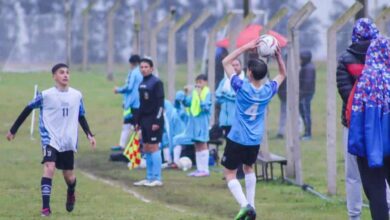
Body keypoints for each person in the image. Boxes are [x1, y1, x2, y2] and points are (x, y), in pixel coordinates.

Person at [6, 63, 96, 217]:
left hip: (68, 140)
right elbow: (28, 108)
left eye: (67, 72)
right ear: (54, 76)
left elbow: (80, 115)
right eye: (61, 72)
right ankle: (46, 208)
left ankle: (71, 191)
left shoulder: (77, 95)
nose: (65, 75)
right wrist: (13, 130)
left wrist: (89, 134)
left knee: (69, 177)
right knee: (49, 167)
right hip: (50, 139)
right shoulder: (46, 95)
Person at [222, 39, 286, 220]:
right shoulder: (268, 90)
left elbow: (225, 62)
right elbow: (282, 74)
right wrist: (278, 57)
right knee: (249, 168)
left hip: (237, 137)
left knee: (229, 173)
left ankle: (245, 206)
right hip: (254, 139)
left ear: (248, 73)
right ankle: (252, 207)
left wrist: (245, 47)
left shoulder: (241, 87)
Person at [337, 18, 390, 220]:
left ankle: (355, 215)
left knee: (369, 186)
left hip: (368, 144)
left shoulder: (365, 82)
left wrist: (358, 147)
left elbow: (355, 113)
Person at [133, 58, 165, 187]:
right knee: (146, 147)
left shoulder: (157, 83)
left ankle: (157, 178)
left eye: (146, 67)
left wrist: (157, 120)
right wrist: (137, 121)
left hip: (154, 120)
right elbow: (142, 104)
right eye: (141, 67)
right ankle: (149, 177)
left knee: (154, 146)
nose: (143, 69)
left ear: (151, 68)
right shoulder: (142, 83)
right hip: (145, 120)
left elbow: (160, 104)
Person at [181, 74, 212, 177]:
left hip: (202, 121)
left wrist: (199, 96)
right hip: (194, 122)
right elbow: (187, 103)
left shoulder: (207, 93)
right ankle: (199, 169)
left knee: (203, 143)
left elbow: (206, 108)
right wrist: (185, 94)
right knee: (197, 144)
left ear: (205, 82)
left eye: (200, 82)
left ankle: (205, 169)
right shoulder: (194, 92)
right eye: (197, 82)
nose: (198, 84)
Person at [112, 55, 143, 150]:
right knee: (128, 124)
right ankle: (123, 145)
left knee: (136, 127)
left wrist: (118, 90)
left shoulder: (134, 72)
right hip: (139, 103)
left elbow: (129, 87)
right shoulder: (142, 72)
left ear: (132, 63)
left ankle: (138, 148)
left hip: (134, 104)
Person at [216, 58, 245, 137]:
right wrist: (230, 96)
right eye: (233, 65)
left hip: (238, 121)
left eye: (237, 65)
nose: (235, 67)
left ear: (241, 67)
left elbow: (239, 97)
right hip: (225, 121)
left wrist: (225, 95)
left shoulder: (244, 81)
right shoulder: (224, 81)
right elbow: (218, 96)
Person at [299, 50, 316, 140]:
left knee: (306, 113)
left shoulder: (308, 68)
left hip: (306, 94)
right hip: (306, 93)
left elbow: (307, 83)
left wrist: (301, 94)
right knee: (305, 113)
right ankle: (306, 132)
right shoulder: (307, 66)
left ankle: (308, 133)